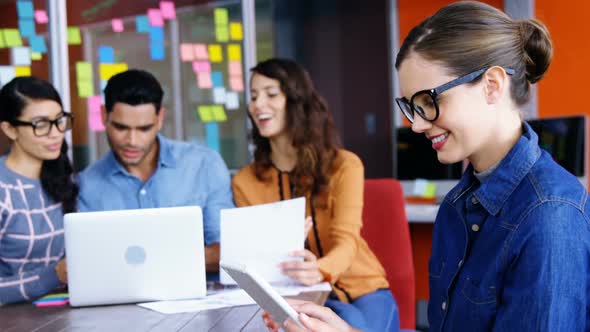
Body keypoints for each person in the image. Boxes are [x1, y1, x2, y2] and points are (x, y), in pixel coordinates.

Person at [232, 58, 399, 332]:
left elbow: (348, 241)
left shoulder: (344, 165)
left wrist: (319, 269)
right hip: (298, 298)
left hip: (363, 291)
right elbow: (255, 257)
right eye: (253, 96)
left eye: (271, 94)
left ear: (298, 101)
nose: (258, 104)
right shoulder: (245, 181)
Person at [77, 69, 233, 272]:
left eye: (144, 129)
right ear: (104, 116)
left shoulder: (203, 165)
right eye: (121, 128)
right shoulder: (87, 185)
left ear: (160, 118)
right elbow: (90, 264)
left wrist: (151, 259)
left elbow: (228, 251)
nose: (132, 141)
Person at [0, 77, 77, 304]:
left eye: (59, 120)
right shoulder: (3, 189)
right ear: (10, 129)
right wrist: (52, 277)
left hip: (61, 313)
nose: (55, 133)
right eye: (40, 124)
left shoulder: (62, 178)